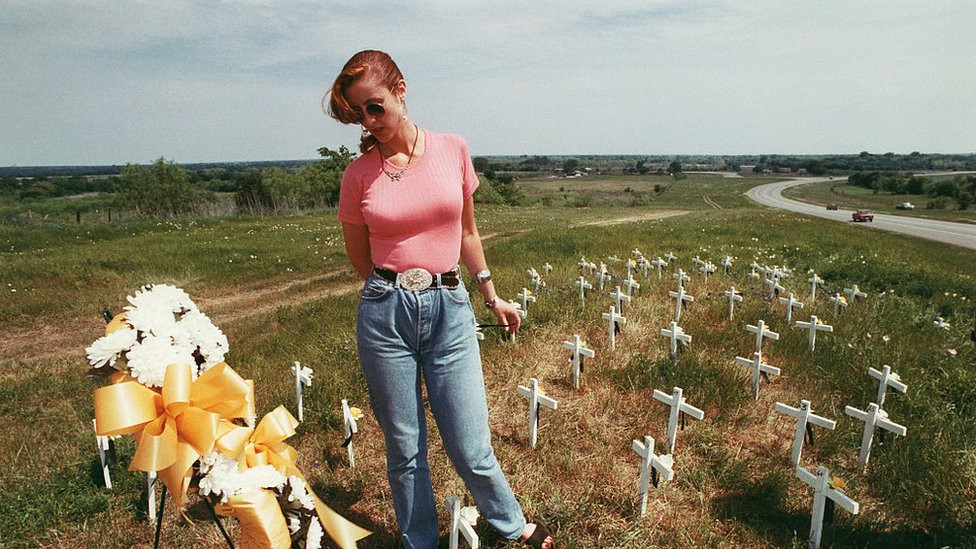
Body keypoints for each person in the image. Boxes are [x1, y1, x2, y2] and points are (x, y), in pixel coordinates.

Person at [325, 50, 555, 549]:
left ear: (401, 90)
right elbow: (361, 261)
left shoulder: (453, 149)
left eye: (376, 106)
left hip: (450, 307)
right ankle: (420, 540)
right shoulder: (358, 175)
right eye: (359, 113)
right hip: (386, 313)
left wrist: (492, 295)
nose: (369, 121)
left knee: (469, 442)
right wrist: (397, 290)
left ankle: (512, 524)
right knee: (405, 446)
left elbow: (468, 232)